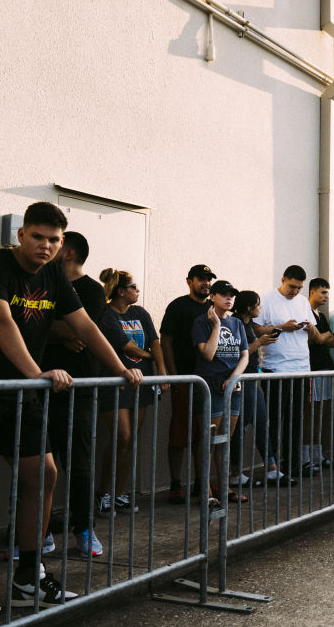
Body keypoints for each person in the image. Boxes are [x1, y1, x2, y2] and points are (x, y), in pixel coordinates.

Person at [0, 201, 140, 612]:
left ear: (63, 245)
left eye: (54, 240)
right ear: (22, 235)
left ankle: (29, 576)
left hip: (22, 396)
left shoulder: (54, 276)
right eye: (39, 237)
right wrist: (35, 372)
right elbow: (0, 322)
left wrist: (122, 367)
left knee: (44, 473)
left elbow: (84, 325)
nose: (46, 246)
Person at [40, 230, 107, 558]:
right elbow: (27, 326)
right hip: (37, 385)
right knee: (36, 463)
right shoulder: (41, 282)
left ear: (67, 251)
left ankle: (83, 528)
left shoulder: (92, 290)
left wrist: (49, 330)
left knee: (78, 463)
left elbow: (82, 332)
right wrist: (55, 332)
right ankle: (39, 532)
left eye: (53, 243)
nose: (46, 248)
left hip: (78, 389)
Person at [96, 268, 165, 514]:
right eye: (133, 287)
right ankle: (103, 493)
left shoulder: (140, 312)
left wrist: (162, 371)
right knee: (121, 436)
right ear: (121, 291)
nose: (137, 290)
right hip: (115, 382)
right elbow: (128, 347)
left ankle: (117, 494)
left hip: (141, 383)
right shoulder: (106, 314)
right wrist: (149, 356)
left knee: (130, 440)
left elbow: (155, 341)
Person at [254, 265, 322, 478]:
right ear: (282, 279)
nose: (294, 291)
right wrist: (282, 327)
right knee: (275, 418)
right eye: (292, 286)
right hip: (275, 368)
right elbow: (255, 328)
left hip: (301, 367)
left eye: (299, 288)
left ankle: (292, 464)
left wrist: (310, 328)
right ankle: (273, 467)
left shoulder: (303, 302)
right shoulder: (266, 299)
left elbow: (315, 337)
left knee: (296, 418)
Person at [159, 264, 216, 503]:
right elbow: (166, 341)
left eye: (208, 279)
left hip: (210, 381)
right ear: (189, 281)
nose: (206, 283)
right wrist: (174, 376)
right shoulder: (178, 306)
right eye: (201, 279)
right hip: (184, 378)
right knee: (180, 433)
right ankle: (175, 483)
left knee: (205, 434)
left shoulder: (214, 309)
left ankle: (201, 483)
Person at [191, 280, 249, 505]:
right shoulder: (201, 322)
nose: (229, 298)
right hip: (210, 386)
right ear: (213, 297)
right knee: (209, 439)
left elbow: (244, 354)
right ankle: (205, 491)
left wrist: (234, 377)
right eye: (224, 294)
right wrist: (216, 325)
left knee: (225, 439)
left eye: (232, 294)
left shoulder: (236, 323)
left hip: (232, 387)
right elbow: (207, 354)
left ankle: (224, 488)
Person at [230, 291, 283, 486]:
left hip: (252, 378)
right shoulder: (235, 323)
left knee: (261, 420)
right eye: (258, 306)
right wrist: (259, 342)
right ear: (249, 308)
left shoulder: (248, 324)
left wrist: (265, 337)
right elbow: (239, 352)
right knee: (240, 426)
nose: (260, 309)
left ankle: (271, 468)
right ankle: (235, 472)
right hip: (242, 380)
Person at [304, 278, 334, 470]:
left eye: (327, 292)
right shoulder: (304, 312)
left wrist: (321, 337)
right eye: (323, 292)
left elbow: (331, 340)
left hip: (325, 367)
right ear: (312, 292)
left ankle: (318, 454)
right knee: (311, 412)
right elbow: (312, 339)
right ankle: (306, 456)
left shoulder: (322, 316)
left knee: (322, 412)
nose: (326, 296)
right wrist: (321, 337)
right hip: (312, 368)